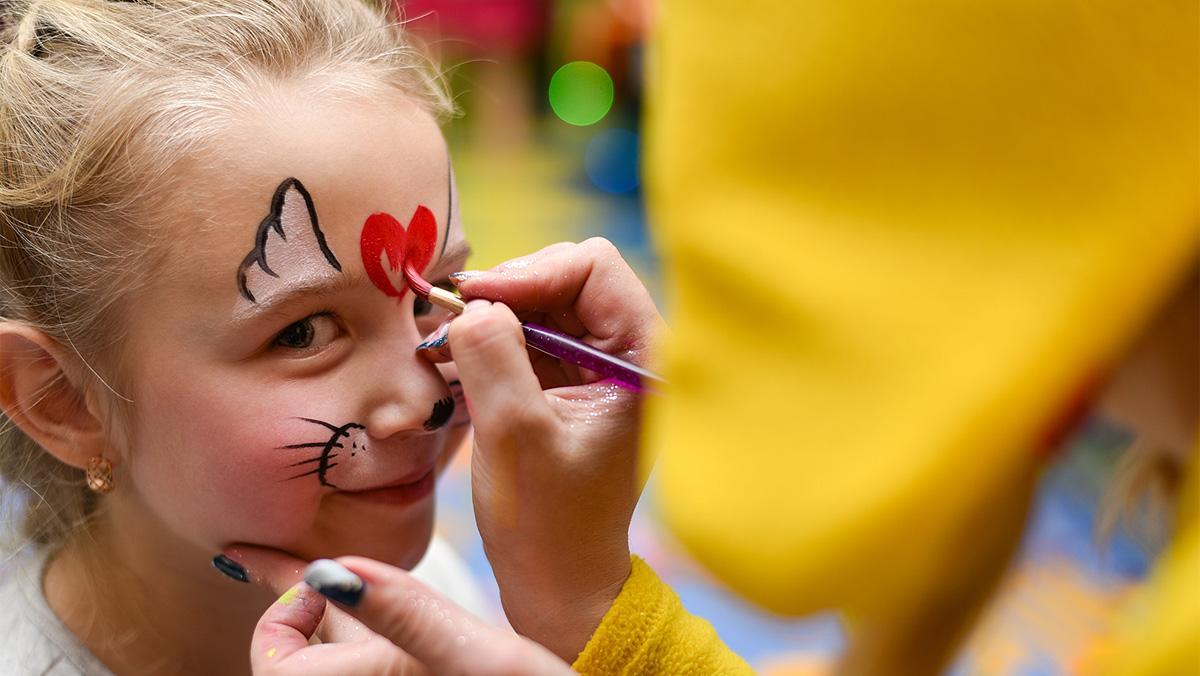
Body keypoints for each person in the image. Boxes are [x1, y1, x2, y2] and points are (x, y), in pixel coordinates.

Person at [0, 0, 680, 672]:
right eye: (303, 332)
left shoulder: (432, 599)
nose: (427, 401)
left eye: (434, 296)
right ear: (63, 398)